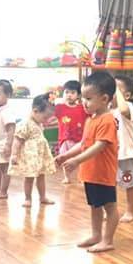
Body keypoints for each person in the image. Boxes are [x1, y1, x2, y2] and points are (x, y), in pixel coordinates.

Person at [56, 71, 120, 253]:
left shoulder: (107, 120)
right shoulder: (91, 119)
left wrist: (76, 160)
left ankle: (107, 240)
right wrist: (66, 155)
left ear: (104, 99)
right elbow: (83, 143)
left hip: (103, 173)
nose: (83, 102)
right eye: (83, 98)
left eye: (88, 98)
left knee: (109, 207)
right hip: (91, 173)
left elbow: (99, 146)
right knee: (95, 206)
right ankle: (96, 235)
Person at [9, 94, 57, 209]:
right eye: (45, 117)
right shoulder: (25, 123)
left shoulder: (38, 123)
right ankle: (28, 198)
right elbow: (17, 140)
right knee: (29, 178)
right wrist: (14, 154)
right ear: (35, 111)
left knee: (41, 176)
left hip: (39, 155)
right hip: (30, 156)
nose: (46, 120)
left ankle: (43, 197)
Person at [113, 75, 133, 222]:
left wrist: (117, 90)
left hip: (126, 154)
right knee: (110, 184)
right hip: (110, 154)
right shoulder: (107, 110)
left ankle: (130, 211)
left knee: (129, 183)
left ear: (127, 95)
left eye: (116, 88)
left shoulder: (128, 106)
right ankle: (111, 210)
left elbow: (123, 110)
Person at [55, 79, 87, 184]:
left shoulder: (82, 108)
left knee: (81, 159)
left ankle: (82, 177)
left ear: (78, 95)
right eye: (67, 92)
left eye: (72, 93)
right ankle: (67, 177)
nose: (69, 95)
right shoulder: (59, 108)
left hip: (79, 140)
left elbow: (91, 115)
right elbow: (50, 112)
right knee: (65, 159)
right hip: (64, 139)